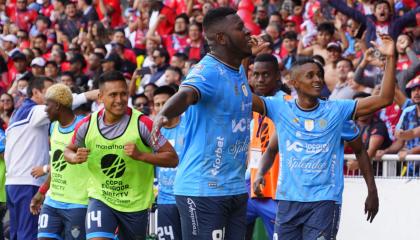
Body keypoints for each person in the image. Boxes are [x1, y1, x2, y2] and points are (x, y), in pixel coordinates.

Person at [251, 35, 396, 239]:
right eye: (310, 76)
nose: (318, 80)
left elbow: (384, 99)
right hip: (287, 201)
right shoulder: (281, 108)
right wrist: (244, 58)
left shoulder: (337, 111)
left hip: (324, 202)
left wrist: (391, 58)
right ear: (294, 82)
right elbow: (240, 97)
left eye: (319, 74)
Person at [151, 7, 267, 240]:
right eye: (240, 28)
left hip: (233, 188)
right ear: (222, 38)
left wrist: (246, 55)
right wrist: (163, 113)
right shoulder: (206, 71)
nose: (247, 31)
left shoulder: (236, 69)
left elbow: (233, 83)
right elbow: (186, 94)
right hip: (203, 190)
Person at [63, 71, 178, 240]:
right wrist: (74, 158)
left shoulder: (143, 124)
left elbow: (172, 158)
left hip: (135, 204)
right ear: (101, 97)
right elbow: (68, 150)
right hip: (101, 197)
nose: (119, 99)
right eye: (113, 95)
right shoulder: (86, 125)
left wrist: (141, 156)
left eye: (123, 94)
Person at [5, 76, 97, 240]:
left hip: (18, 183)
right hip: (29, 182)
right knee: (28, 235)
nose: (46, 107)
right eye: (48, 91)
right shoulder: (33, 111)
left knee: (18, 234)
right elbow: (63, 102)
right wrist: (89, 95)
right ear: (36, 92)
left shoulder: (19, 112)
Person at [29, 83, 89, 240]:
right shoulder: (54, 126)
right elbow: (56, 165)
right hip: (53, 201)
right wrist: (42, 192)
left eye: (47, 104)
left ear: (57, 106)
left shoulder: (85, 126)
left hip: (78, 203)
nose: (44, 109)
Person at [246, 53, 289, 240]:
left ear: (277, 76)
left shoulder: (287, 103)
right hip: (253, 187)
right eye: (256, 74)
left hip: (277, 192)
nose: (260, 79)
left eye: (266, 74)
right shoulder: (257, 104)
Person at [153, 86, 185, 240]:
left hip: (188, 196)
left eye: (164, 103)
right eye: (157, 104)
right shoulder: (152, 131)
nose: (161, 108)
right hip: (165, 200)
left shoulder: (189, 125)